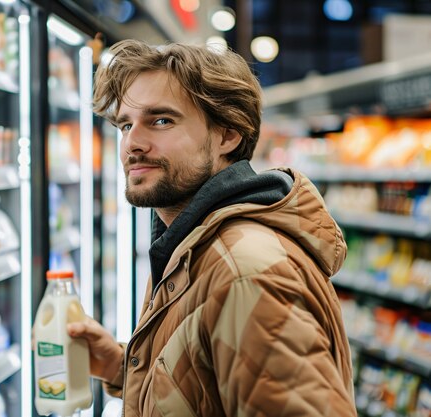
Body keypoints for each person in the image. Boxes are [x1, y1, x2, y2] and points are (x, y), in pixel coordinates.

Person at [67, 39, 356, 416]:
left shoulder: (245, 273)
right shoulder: (192, 244)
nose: (132, 144)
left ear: (227, 136)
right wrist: (118, 368)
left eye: (161, 120)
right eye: (125, 124)